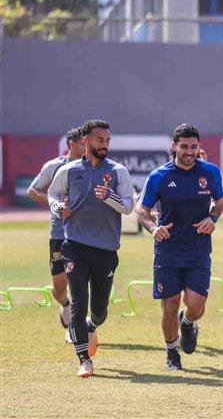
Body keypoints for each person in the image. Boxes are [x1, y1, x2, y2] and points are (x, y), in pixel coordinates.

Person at [47, 119, 135, 378]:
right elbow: (53, 194)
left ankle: (92, 324)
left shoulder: (118, 171)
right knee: (78, 301)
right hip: (74, 245)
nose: (104, 145)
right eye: (99, 140)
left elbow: (129, 206)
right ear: (85, 141)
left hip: (106, 250)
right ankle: (84, 359)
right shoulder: (69, 170)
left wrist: (110, 197)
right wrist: (59, 208)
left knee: (99, 309)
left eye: (107, 140)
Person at [137, 124, 223, 371]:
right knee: (170, 304)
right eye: (184, 146)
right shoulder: (159, 176)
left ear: (199, 147)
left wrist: (212, 218)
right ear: (174, 146)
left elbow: (219, 201)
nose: (189, 152)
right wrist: (153, 228)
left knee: (196, 307)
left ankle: (187, 323)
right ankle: (172, 352)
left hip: (198, 248)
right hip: (168, 249)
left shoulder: (210, 172)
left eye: (193, 147)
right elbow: (142, 209)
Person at [27, 127, 85, 335]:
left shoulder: (92, 167)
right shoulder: (54, 166)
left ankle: (76, 329)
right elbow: (32, 191)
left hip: (84, 235)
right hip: (59, 235)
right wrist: (56, 203)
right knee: (59, 288)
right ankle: (65, 304)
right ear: (71, 144)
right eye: (82, 143)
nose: (86, 147)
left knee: (79, 283)